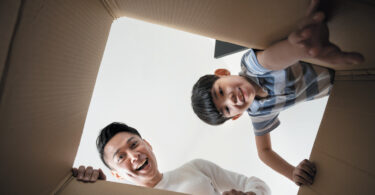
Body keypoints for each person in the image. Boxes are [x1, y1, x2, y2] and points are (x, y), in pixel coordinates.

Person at [190, 0, 364, 187]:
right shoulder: (258, 112)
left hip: (326, 54)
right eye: (226, 108)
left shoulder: (250, 66)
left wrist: (298, 47)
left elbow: (269, 60)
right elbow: (264, 152)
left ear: (222, 73)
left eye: (221, 91)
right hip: (339, 85)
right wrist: (292, 173)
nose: (231, 99)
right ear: (236, 115)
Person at [73, 122, 271, 195]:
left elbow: (255, 183)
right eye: (121, 157)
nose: (134, 155)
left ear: (148, 145)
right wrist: (90, 189)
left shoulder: (195, 168)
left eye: (134, 144)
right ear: (117, 174)